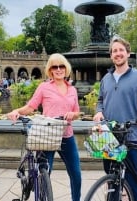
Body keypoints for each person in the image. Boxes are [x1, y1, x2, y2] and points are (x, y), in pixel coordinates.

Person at [7, 53, 82, 201]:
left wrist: (73, 115)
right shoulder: (44, 87)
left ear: (66, 69)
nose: (59, 69)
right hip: (47, 135)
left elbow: (77, 112)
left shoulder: (72, 89)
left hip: (66, 136)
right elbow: (31, 107)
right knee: (45, 173)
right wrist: (17, 111)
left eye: (61, 66)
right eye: (55, 66)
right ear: (50, 70)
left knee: (76, 175)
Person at [93, 36, 137, 201]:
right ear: (111, 56)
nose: (118, 53)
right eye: (114, 51)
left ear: (128, 53)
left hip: (129, 135)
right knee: (112, 178)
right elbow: (100, 100)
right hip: (107, 136)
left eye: (121, 50)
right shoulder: (106, 79)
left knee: (131, 179)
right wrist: (99, 111)